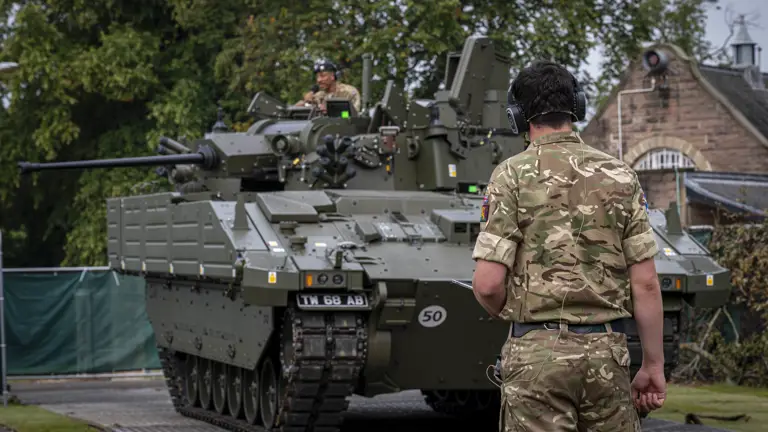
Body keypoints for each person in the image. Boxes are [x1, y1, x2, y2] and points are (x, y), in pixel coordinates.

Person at [471, 60, 667, 431]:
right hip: (607, 355)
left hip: (536, 354)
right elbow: (645, 284)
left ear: (518, 115)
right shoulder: (621, 175)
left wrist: (518, 317)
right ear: (576, 106)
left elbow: (487, 284)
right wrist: (653, 365)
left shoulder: (510, 175)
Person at [295, 59, 361, 113]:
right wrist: (302, 104)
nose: (319, 80)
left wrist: (332, 111)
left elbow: (354, 117)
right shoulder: (318, 96)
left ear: (332, 76)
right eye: (317, 77)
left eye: (322, 76)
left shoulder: (349, 92)